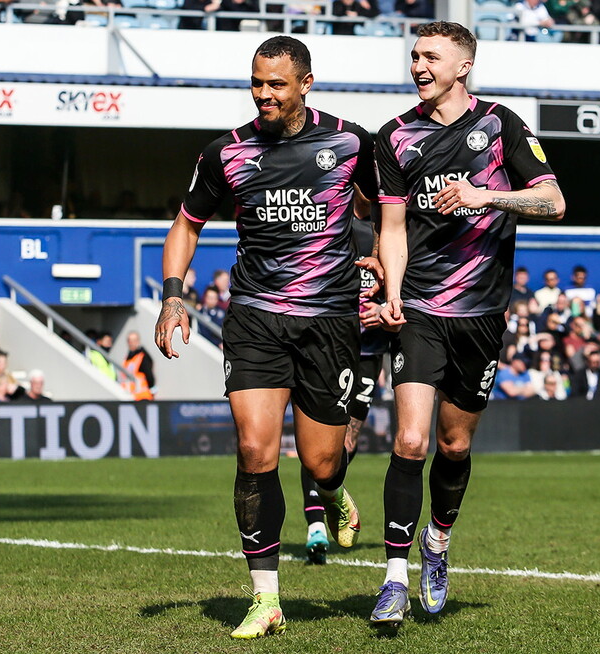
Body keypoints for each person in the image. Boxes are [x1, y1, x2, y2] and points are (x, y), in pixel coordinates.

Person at [154, 35, 378, 640]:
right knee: (255, 450)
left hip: (329, 321)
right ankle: (266, 598)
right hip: (255, 317)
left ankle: (333, 491)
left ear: (306, 83)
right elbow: (186, 226)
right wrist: (173, 297)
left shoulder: (351, 142)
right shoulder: (225, 152)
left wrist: (384, 262)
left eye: (276, 84)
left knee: (321, 460)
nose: (263, 94)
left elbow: (382, 210)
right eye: (256, 82)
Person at [375, 21, 564, 627]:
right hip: (420, 309)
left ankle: (437, 542)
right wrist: (392, 294)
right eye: (414, 56)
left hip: (481, 314)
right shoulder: (394, 136)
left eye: (431, 56)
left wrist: (488, 197)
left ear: (463, 66)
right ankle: (394, 578)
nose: (418, 66)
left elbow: (554, 201)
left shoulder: (501, 124)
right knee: (410, 441)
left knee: (454, 444)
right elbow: (393, 228)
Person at [300, 216, 391, 565]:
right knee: (320, 437)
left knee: (347, 442)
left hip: (370, 351)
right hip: (331, 347)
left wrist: (385, 308)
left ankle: (330, 498)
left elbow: (411, 286)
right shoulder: (332, 225)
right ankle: (315, 526)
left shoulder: (396, 228)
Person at [121, 331, 156, 401]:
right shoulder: (127, 358)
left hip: (142, 397)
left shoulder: (142, 357)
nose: (131, 343)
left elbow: (150, 377)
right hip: (130, 396)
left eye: (134, 340)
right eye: (129, 341)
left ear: (138, 341)